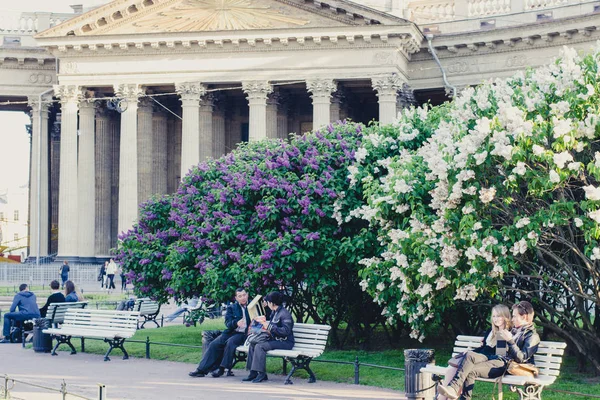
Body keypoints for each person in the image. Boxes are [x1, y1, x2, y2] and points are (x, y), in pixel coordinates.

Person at [437, 301, 540, 400]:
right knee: (470, 357)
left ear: (524, 317)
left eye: (514, 316)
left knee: (470, 369)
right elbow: (500, 352)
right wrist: (496, 340)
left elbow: (521, 358)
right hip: (498, 359)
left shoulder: (532, 336)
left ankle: (455, 390)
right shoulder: (514, 330)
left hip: (507, 366)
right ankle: (453, 388)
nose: (512, 319)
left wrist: (510, 341)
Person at [438, 305, 512, 400]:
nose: (495, 319)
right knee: (454, 367)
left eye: (498, 316)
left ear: (505, 316)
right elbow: (484, 348)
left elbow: (499, 355)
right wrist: (471, 351)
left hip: (493, 361)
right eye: (493, 316)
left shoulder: (507, 332)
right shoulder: (490, 331)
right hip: (484, 356)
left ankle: (453, 389)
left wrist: (501, 334)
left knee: (467, 365)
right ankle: (446, 394)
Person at [189, 288, 250, 378]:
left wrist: (264, 306)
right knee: (214, 344)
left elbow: (265, 315)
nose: (243, 298)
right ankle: (201, 370)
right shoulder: (232, 308)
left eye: (244, 295)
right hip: (232, 331)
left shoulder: (254, 306)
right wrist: (236, 323)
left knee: (230, 342)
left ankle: (221, 369)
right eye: (240, 296)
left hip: (244, 334)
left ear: (247, 295)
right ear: (236, 298)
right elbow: (228, 323)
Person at [243, 291, 294, 383]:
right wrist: (265, 328)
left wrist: (269, 327)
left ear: (272, 303)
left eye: (268, 302)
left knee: (260, 346)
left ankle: (262, 374)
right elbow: (273, 327)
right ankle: (253, 372)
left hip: (285, 342)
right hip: (276, 339)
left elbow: (286, 331)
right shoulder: (275, 312)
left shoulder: (284, 313)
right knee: (253, 343)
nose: (267, 304)